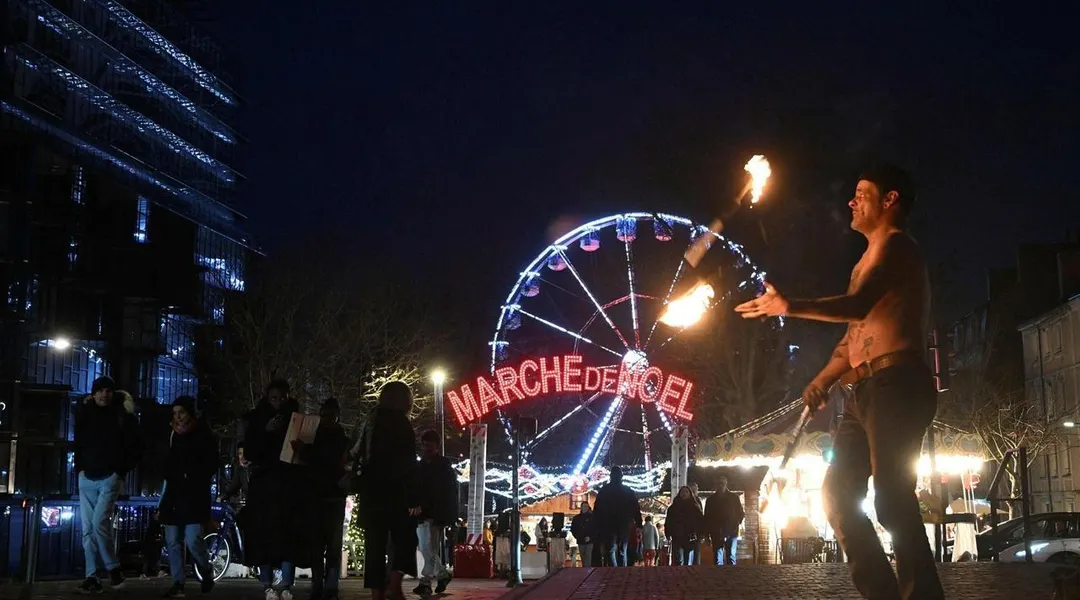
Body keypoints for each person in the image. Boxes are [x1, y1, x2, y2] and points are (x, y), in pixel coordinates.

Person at [734, 165, 944, 600]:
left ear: (890, 199)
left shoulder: (898, 248)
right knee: (836, 494)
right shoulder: (865, 261)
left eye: (862, 193)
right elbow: (854, 338)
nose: (851, 201)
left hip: (897, 383)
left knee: (891, 498)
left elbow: (857, 306)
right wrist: (823, 380)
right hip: (864, 390)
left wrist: (789, 306)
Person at [74, 377, 142, 593]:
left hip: (107, 476)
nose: (105, 394)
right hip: (89, 476)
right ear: (94, 393)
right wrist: (80, 468)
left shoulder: (122, 416)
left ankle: (111, 569)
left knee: (97, 523)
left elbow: (135, 448)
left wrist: (119, 472)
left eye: (108, 391)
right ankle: (93, 576)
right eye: (101, 391)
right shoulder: (86, 413)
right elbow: (79, 443)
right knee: (89, 528)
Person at [239, 380, 303, 600]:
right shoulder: (257, 419)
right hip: (264, 484)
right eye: (274, 398)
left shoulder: (295, 419)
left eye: (282, 398)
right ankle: (267, 583)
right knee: (263, 534)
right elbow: (250, 451)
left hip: (288, 483)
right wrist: (266, 432)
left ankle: (286, 584)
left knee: (288, 534)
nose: (278, 403)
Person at [358, 381, 420, 600]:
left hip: (371, 492)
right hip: (396, 492)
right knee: (406, 539)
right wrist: (413, 498)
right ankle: (395, 582)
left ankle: (377, 592)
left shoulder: (371, 422)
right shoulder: (402, 424)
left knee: (374, 545)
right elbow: (408, 464)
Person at [158, 396, 219, 598]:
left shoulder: (203, 435)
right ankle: (178, 582)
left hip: (195, 495)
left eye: (181, 413)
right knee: (173, 541)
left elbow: (211, 464)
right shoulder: (172, 435)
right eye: (175, 413)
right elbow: (165, 462)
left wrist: (193, 474)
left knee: (193, 540)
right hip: (174, 494)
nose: (178, 417)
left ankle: (206, 567)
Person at [294, 398, 349, 600]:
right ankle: (324, 585)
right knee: (320, 547)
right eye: (324, 416)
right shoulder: (335, 440)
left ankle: (325, 586)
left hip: (328, 497)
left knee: (326, 546)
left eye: (330, 416)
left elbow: (325, 462)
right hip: (323, 497)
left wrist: (305, 452)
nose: (326, 420)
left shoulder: (331, 440)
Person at [413, 429, 457, 596]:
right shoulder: (423, 465)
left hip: (433, 514)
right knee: (427, 548)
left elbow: (447, 493)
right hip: (424, 513)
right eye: (425, 445)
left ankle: (426, 581)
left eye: (429, 445)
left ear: (437, 446)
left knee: (427, 547)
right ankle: (441, 575)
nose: (426, 448)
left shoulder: (441, 466)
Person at [591, 466, 642, 567]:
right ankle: (622, 569)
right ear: (621, 477)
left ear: (611, 476)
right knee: (622, 548)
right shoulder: (627, 490)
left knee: (610, 549)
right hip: (624, 522)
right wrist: (639, 523)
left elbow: (597, 510)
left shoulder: (604, 490)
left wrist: (596, 524)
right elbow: (635, 508)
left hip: (608, 523)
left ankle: (613, 569)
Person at [704, 476, 744, 566]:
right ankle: (719, 574)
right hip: (716, 531)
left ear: (726, 484)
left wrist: (736, 524)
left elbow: (740, 513)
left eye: (722, 483)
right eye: (719, 483)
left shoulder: (734, 498)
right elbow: (707, 517)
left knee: (731, 556)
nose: (720, 485)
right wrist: (707, 533)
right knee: (718, 558)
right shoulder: (710, 500)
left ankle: (731, 574)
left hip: (731, 530)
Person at [665, 486, 702, 566]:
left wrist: (700, 534)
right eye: (682, 492)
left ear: (690, 494)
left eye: (686, 492)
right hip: (677, 536)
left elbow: (700, 521)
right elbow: (668, 521)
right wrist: (668, 533)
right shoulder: (673, 508)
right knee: (678, 559)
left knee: (689, 560)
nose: (684, 494)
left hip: (691, 536)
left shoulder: (695, 507)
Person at [570, 503, 595, 567]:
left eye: (587, 506)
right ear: (581, 507)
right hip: (580, 540)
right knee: (583, 558)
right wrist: (577, 536)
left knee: (588, 558)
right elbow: (573, 529)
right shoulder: (576, 518)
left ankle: (587, 570)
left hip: (589, 540)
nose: (585, 507)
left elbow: (595, 529)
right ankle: (585, 569)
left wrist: (590, 537)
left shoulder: (592, 518)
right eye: (584, 506)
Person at [688, 483, 705, 564]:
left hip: (696, 531)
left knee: (695, 553)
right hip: (690, 531)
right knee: (693, 552)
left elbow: (701, 517)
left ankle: (694, 568)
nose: (695, 492)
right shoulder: (696, 501)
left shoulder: (697, 501)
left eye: (695, 490)